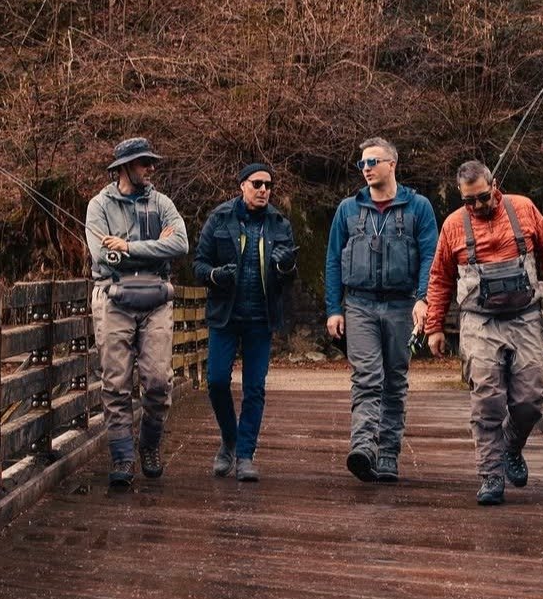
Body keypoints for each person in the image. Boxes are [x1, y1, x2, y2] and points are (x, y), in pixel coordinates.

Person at [424, 160, 543, 506]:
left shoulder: (523, 208)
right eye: (469, 201)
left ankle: (511, 446)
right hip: (479, 321)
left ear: (495, 185)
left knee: (531, 399)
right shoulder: (453, 226)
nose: (477, 206)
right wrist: (435, 326)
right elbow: (440, 276)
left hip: (525, 316)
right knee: (487, 398)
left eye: (483, 198)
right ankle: (490, 475)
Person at [325, 137, 439, 482]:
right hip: (358, 304)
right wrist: (334, 308)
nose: (367, 169)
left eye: (373, 161)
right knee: (366, 377)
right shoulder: (347, 209)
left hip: (402, 305)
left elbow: (430, 257)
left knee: (395, 380)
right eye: (362, 163)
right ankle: (363, 447)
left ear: (393, 163)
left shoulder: (419, 208)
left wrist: (423, 298)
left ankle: (388, 453)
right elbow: (332, 260)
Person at [85, 137, 188, 487]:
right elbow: (102, 256)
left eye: (150, 162)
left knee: (159, 380)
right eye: (144, 162)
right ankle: (123, 457)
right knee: (115, 382)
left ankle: (149, 445)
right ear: (125, 167)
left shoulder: (163, 203)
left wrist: (128, 246)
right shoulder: (98, 206)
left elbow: (180, 244)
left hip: (157, 298)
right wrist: (156, 247)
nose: (151, 168)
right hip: (113, 298)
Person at [193, 163, 299, 482]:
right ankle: (230, 437)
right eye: (257, 184)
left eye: (269, 184)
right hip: (225, 316)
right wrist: (215, 276)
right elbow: (198, 264)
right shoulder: (220, 218)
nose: (264, 189)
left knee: (254, 388)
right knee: (215, 381)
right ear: (242, 186)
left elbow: (289, 276)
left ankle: (244, 456)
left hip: (261, 318)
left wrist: (285, 268)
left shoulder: (280, 224)